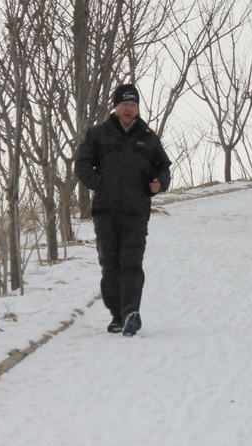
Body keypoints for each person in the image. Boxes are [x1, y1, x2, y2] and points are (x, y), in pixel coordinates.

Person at [75, 83, 171, 336]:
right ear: (116, 106)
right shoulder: (98, 134)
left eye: (133, 104)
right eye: (125, 104)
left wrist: (159, 184)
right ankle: (117, 314)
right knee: (110, 264)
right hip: (106, 210)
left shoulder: (148, 137)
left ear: (138, 108)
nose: (129, 109)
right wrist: (99, 184)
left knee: (132, 262)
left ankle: (131, 313)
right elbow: (82, 164)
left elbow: (164, 168)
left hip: (136, 211)